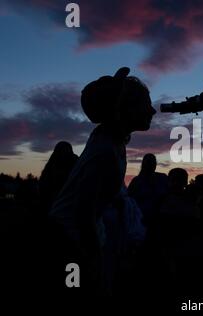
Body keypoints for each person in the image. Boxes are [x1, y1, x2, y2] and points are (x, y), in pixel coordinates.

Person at [48, 67, 156, 295]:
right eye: (145, 104)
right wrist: (93, 258)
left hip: (74, 235)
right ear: (124, 109)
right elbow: (82, 213)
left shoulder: (109, 139)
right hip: (69, 240)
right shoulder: (105, 152)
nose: (153, 110)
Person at [127, 153, 168, 225]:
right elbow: (130, 200)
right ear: (143, 164)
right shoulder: (136, 181)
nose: (151, 165)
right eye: (149, 162)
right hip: (141, 219)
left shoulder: (163, 178)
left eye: (153, 162)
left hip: (160, 220)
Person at [39, 141, 78, 215]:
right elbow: (43, 188)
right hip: (54, 205)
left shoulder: (75, 163)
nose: (64, 155)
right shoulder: (50, 168)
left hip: (71, 205)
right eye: (62, 152)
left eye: (66, 152)